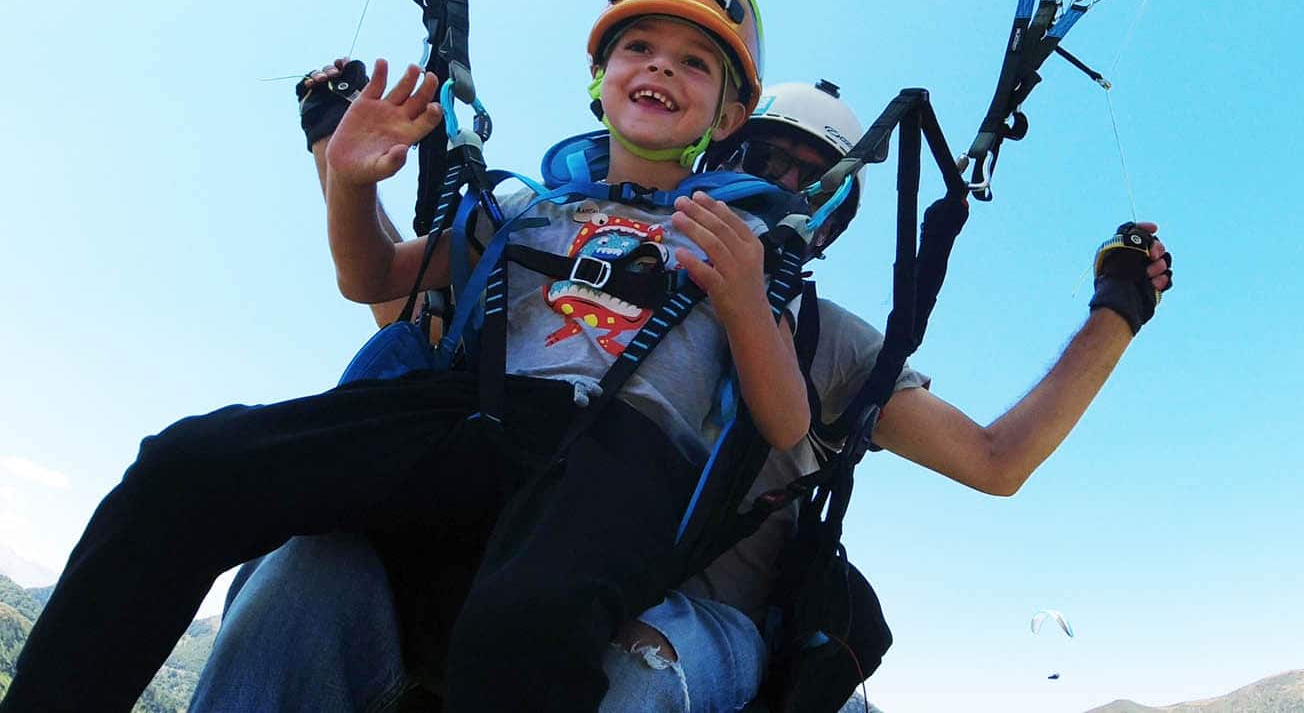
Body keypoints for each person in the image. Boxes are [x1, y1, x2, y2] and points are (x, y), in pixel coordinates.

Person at [188, 77, 1171, 711]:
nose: (790, 185)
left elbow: (995, 461)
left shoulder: (827, 339)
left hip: (689, 626)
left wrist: (1118, 310)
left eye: (817, 178)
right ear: (722, 158)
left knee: (638, 667)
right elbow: (412, 323)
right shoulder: (581, 244)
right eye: (770, 161)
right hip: (504, 583)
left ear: (835, 216)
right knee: (301, 571)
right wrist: (337, 153)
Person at [1, 0, 810, 713]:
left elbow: (784, 423)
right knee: (187, 467)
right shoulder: (523, 208)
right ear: (600, 77)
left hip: (624, 453)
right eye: (639, 47)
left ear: (731, 114)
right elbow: (375, 278)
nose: (661, 67)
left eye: (694, 62)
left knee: (522, 632)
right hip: (481, 411)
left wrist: (744, 301)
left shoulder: (741, 240)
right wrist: (348, 185)